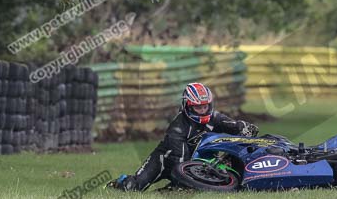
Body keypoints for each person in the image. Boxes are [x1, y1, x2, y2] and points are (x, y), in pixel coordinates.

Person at [107, 82, 258, 191]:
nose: (203, 110)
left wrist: (245, 128)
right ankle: (119, 182)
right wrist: (184, 182)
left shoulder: (216, 117)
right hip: (166, 160)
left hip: (201, 161)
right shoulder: (178, 127)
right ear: (188, 106)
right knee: (134, 186)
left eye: (205, 106)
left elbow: (234, 126)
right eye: (198, 107)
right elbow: (180, 163)